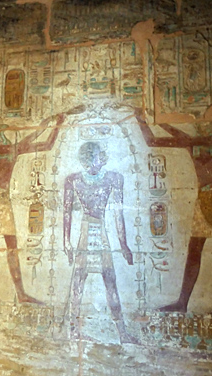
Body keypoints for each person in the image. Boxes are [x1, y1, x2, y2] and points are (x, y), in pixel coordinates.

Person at [134, 105, 212, 315]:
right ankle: (184, 302)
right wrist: (148, 120)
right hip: (206, 198)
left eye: (206, 120)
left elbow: (164, 140)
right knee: (200, 250)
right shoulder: (200, 141)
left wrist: (148, 120)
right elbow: (153, 142)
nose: (201, 123)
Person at [0, 113, 65, 304]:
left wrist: (48, 124)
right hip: (0, 201)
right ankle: (17, 293)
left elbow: (40, 141)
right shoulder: (11, 149)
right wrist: (54, 124)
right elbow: (45, 144)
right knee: (6, 245)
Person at [63, 141, 139, 343]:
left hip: (99, 233)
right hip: (86, 233)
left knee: (109, 281)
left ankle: (122, 333)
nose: (97, 161)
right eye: (92, 158)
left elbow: (118, 214)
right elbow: (66, 212)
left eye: (97, 156)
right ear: (85, 160)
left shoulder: (114, 178)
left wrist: (124, 245)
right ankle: (73, 331)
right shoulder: (73, 180)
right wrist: (66, 243)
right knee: (78, 282)